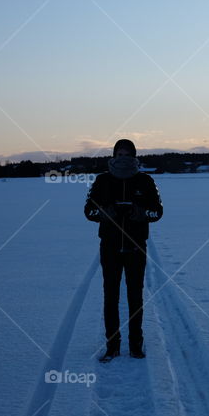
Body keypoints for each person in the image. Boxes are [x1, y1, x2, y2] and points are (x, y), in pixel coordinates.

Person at [84, 139, 163, 362]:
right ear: (114, 155)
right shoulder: (102, 181)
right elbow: (88, 211)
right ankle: (113, 345)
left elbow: (157, 212)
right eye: (120, 154)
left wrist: (139, 212)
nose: (123, 158)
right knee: (110, 296)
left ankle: (136, 345)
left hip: (136, 246)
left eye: (128, 154)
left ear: (134, 156)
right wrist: (106, 213)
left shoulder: (145, 180)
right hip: (109, 247)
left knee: (135, 297)